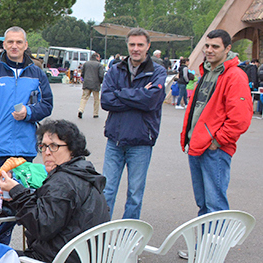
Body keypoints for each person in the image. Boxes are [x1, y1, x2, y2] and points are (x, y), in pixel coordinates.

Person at [0, 26, 53, 245]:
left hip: (24, 150)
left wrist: (29, 113)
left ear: (26, 45)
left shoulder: (37, 74)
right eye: (10, 42)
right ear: (4, 45)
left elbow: (47, 105)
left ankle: (3, 244)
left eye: (19, 42)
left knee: (20, 202)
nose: (14, 46)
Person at [0, 119, 110, 263]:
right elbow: (54, 211)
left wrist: (18, 192)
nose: (47, 152)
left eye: (54, 146)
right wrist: (15, 197)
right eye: (43, 146)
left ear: (72, 149)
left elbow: (41, 226)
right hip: (86, 255)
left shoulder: (63, 181)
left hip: (58, 257)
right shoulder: (84, 173)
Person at [181, 29, 252, 217]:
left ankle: (216, 245)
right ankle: (204, 246)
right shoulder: (207, 72)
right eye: (207, 46)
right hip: (197, 145)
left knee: (215, 205)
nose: (209, 50)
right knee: (204, 204)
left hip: (214, 149)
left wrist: (217, 141)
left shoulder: (234, 76)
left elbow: (240, 118)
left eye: (215, 46)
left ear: (227, 48)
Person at [101, 28, 166, 220]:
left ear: (148, 46)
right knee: (107, 192)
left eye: (140, 45)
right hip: (115, 140)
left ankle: (128, 236)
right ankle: (100, 234)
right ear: (127, 45)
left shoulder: (158, 71)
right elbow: (105, 100)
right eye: (132, 45)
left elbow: (151, 101)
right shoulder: (115, 70)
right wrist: (138, 94)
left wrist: (120, 93)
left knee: (135, 195)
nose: (135, 49)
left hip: (141, 141)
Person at [78, 52, 104, 119]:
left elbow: (82, 73)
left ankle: (81, 110)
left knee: (84, 98)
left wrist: (84, 79)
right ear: (97, 57)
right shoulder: (99, 65)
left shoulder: (86, 63)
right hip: (95, 84)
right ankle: (95, 113)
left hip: (86, 83)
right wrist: (101, 82)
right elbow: (101, 75)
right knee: (96, 99)